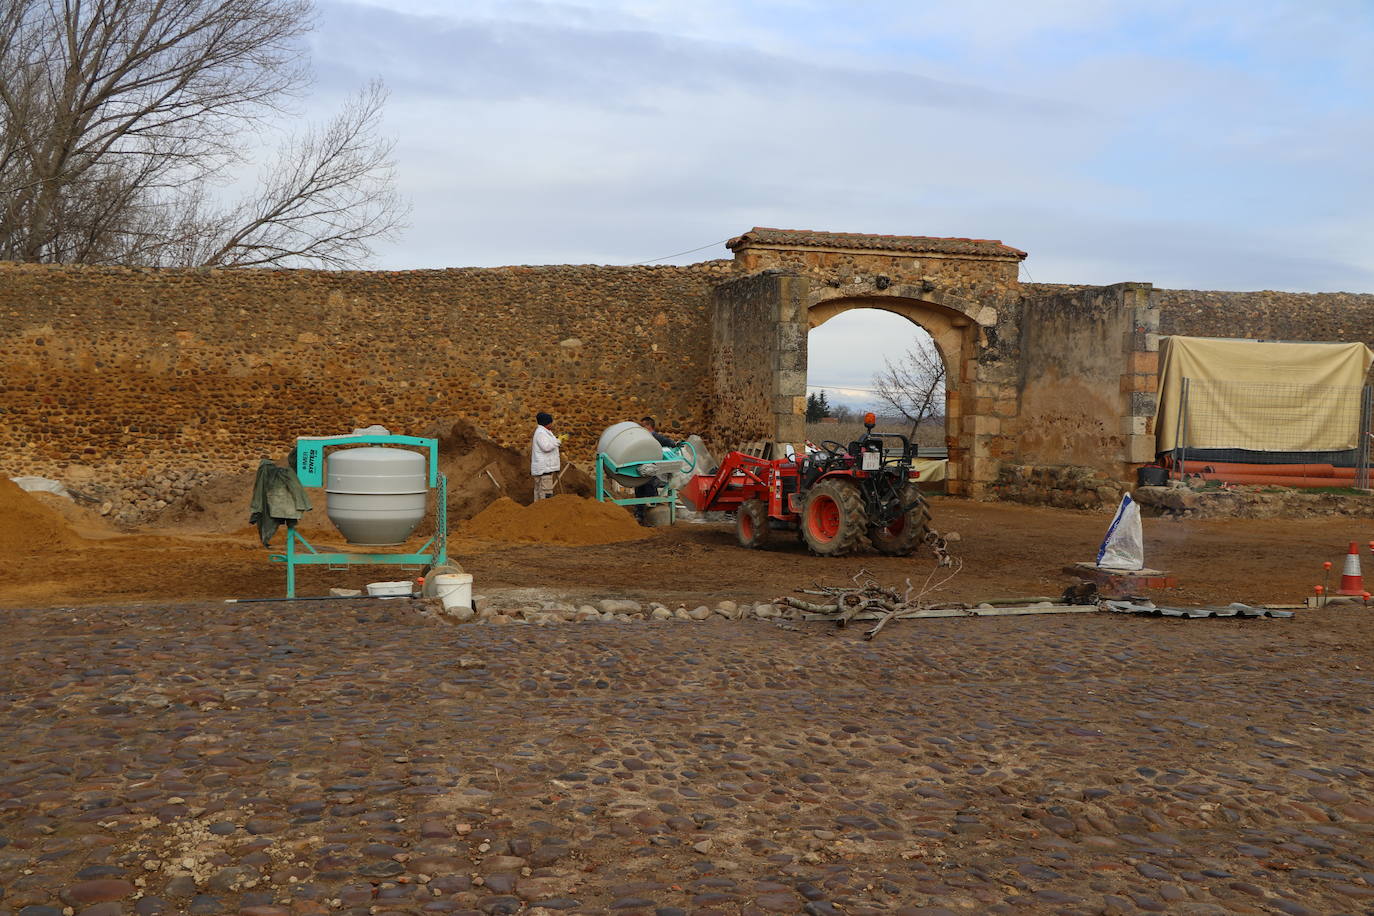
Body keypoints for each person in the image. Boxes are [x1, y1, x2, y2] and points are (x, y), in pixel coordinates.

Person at [634, 416, 676, 522]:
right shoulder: (642, 439)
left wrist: (674, 446)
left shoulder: (656, 437)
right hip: (642, 470)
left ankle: (652, 518)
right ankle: (640, 516)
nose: (641, 428)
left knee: (649, 493)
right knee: (639, 493)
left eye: (643, 426)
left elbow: (671, 443)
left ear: (649, 426)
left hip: (651, 472)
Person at [530, 411, 561, 501]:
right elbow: (546, 447)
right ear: (546, 423)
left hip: (544, 468)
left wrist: (557, 439)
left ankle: (537, 511)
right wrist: (558, 441)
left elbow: (549, 443)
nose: (552, 424)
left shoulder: (544, 432)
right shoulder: (541, 433)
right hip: (544, 469)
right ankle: (543, 512)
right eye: (550, 422)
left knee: (540, 492)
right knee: (545, 494)